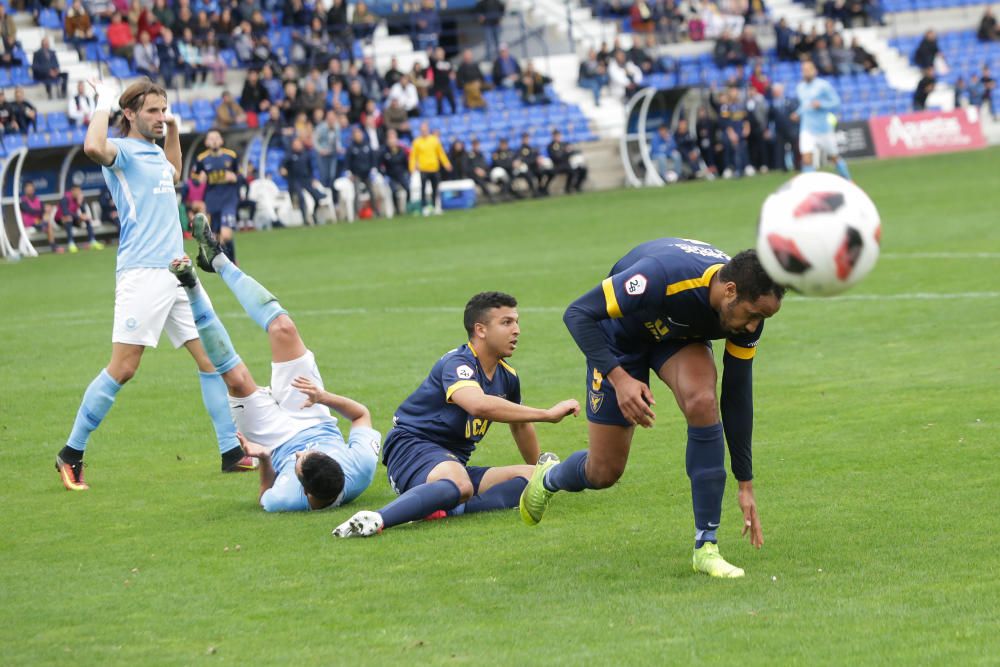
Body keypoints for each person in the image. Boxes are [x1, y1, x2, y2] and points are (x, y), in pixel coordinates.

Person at [518, 239, 785, 578]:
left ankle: (706, 546)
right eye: (753, 315)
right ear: (729, 290)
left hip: (676, 338)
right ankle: (549, 476)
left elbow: (736, 395)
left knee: (703, 401)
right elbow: (577, 314)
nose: (753, 326)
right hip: (619, 340)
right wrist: (619, 378)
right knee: (604, 471)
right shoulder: (660, 276)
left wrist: (745, 482)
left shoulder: (748, 309)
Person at [54, 78, 254, 492]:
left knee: (211, 361)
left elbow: (174, 170)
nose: (160, 117)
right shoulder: (122, 152)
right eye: (152, 112)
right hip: (143, 274)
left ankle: (230, 453)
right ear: (129, 115)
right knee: (124, 368)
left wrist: (175, 130)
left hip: (178, 273)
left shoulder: (153, 152)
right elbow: (93, 147)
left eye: (163, 110)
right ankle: (71, 453)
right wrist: (104, 102)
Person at [170, 218, 381, 512]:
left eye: (301, 462)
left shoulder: (287, 500)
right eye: (311, 454)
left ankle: (190, 285)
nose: (302, 454)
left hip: (273, 441)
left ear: (305, 491)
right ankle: (217, 260)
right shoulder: (361, 468)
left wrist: (265, 459)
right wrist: (323, 397)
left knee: (235, 379)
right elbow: (361, 416)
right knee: (284, 328)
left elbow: (264, 496)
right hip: (313, 414)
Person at [333, 292, 580, 537]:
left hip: (450, 464)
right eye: (506, 322)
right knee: (460, 483)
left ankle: (443, 508)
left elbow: (520, 425)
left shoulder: (508, 377)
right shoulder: (457, 363)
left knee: (533, 478)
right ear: (480, 330)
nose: (516, 330)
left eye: (516, 321)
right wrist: (547, 414)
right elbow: (477, 405)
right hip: (411, 449)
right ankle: (376, 519)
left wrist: (538, 470)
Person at [793, 60, 850, 180]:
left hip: (823, 128)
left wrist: (821, 104)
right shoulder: (800, 87)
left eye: (808, 69)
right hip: (807, 128)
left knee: (834, 157)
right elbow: (805, 105)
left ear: (815, 71)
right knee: (806, 158)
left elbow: (836, 103)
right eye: (804, 70)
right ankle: (810, 186)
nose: (806, 72)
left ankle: (848, 179)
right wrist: (797, 113)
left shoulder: (823, 85)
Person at [193, 129, 241, 262]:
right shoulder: (201, 159)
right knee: (217, 237)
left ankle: (232, 261)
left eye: (216, 137)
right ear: (207, 142)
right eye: (211, 138)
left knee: (226, 235)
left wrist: (235, 177)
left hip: (228, 199)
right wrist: (199, 179)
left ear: (221, 140)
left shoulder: (231, 156)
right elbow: (194, 179)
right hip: (212, 200)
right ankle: (228, 263)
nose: (214, 140)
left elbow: (240, 175)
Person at [280, 137, 328, 226]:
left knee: (318, 197)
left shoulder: (306, 154)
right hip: (295, 180)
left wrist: (313, 179)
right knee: (301, 198)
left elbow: (311, 168)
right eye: (295, 144)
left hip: (306, 179)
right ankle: (305, 220)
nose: (297, 146)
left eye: (298, 144)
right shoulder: (289, 155)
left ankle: (314, 214)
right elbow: (282, 166)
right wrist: (283, 170)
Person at [409, 121, 452, 216]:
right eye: (422, 130)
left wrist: (446, 164)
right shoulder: (417, 142)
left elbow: (441, 153)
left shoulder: (434, 140)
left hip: (434, 168)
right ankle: (424, 207)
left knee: (435, 188)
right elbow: (413, 156)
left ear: (428, 130)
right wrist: (412, 168)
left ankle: (434, 206)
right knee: (423, 189)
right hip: (423, 169)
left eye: (425, 129)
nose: (424, 131)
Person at [20, 181, 59, 252]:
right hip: (30, 223)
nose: (30, 189)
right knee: (47, 223)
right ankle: (53, 246)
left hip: (39, 222)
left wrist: (47, 209)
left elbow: (42, 210)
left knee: (47, 220)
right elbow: (31, 211)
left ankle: (53, 246)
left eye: (31, 187)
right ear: (25, 190)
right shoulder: (23, 201)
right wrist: (43, 209)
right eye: (28, 188)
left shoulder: (37, 199)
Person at [547, 129, 587, 193]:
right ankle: (545, 189)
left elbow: (573, 151)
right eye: (556, 136)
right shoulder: (550, 146)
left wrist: (568, 152)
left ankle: (573, 187)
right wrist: (566, 152)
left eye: (558, 135)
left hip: (567, 164)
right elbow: (556, 157)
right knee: (551, 173)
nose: (558, 137)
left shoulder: (564, 144)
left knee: (582, 169)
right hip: (557, 165)